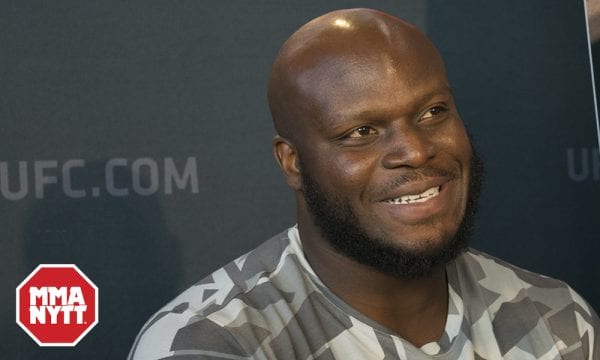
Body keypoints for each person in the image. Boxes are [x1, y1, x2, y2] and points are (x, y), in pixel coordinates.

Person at [128, 8, 600, 359]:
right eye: (361, 133)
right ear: (292, 162)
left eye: (433, 112)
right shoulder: (213, 343)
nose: (414, 151)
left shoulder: (555, 318)